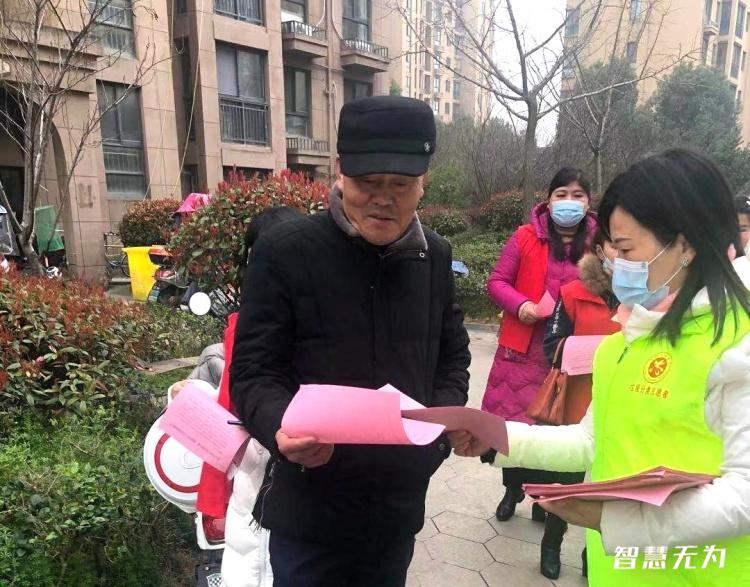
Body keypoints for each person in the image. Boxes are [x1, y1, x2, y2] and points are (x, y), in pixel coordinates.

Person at [453, 149, 750, 587]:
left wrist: (612, 519)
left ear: (685, 245)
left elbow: (744, 493)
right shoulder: (624, 342)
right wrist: (497, 436)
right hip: (620, 571)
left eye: (626, 250)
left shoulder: (737, 343)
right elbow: (591, 441)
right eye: (611, 251)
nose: (614, 267)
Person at [230, 96, 471, 587]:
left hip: (395, 511)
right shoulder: (286, 253)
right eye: (368, 183)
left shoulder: (433, 258)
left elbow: (452, 359)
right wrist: (280, 427)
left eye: (400, 185)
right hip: (310, 510)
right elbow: (253, 372)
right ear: (340, 171)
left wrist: (434, 442)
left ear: (423, 182)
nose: (384, 199)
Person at [481, 168, 597, 535]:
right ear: (548, 199)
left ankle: (543, 499)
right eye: (561, 194)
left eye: (578, 195)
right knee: (515, 431)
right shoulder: (525, 237)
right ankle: (512, 490)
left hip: (570, 354)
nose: (569, 202)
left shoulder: (600, 242)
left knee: (556, 434)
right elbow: (497, 281)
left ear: (589, 201)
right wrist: (521, 305)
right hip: (523, 349)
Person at [537, 229, 621, 579]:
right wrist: (604, 352)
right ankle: (551, 545)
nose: (622, 254)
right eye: (616, 244)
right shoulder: (573, 293)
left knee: (611, 487)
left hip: (623, 405)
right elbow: (551, 345)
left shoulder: (649, 297)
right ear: (600, 250)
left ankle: (594, 554)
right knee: (567, 481)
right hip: (577, 403)